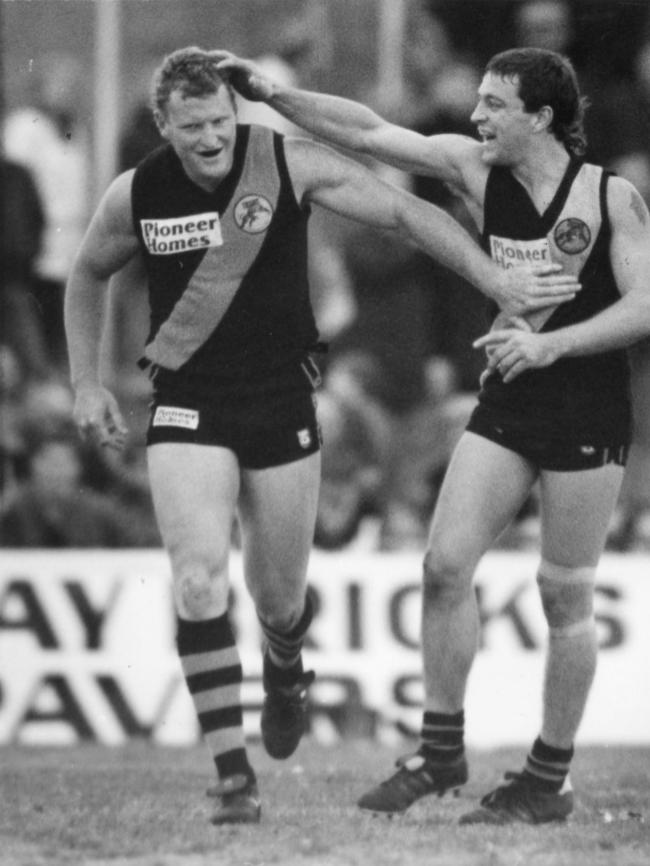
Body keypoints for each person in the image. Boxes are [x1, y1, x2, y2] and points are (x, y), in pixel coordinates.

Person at [64, 47, 580, 827]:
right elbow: (85, 276)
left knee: (279, 599)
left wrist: (494, 280)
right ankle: (233, 777)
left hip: (280, 403)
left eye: (220, 122)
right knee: (198, 578)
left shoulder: (287, 163)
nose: (210, 138)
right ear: (162, 125)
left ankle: (284, 661)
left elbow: (410, 214)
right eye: (192, 126)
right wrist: (85, 380)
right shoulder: (134, 194)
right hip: (187, 405)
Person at [215, 46, 650, 824]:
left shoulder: (612, 198)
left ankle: (547, 777)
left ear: (541, 117)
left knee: (564, 592)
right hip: (511, 402)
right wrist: (276, 95)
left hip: (588, 407)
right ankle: (440, 749)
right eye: (477, 98)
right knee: (444, 566)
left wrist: (551, 343)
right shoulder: (475, 170)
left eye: (494, 104)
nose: (476, 115)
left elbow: (645, 304)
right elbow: (373, 134)